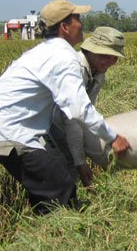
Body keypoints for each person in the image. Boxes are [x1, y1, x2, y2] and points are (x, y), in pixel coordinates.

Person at [0, 0, 131, 214]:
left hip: (10, 129)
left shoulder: (51, 52)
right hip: (10, 132)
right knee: (60, 188)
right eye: (77, 20)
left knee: (53, 186)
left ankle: (49, 229)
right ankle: (56, 234)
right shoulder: (63, 58)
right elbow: (77, 111)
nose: (82, 24)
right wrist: (112, 137)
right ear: (65, 27)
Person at [49, 26, 126, 189]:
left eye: (114, 58)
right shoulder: (74, 69)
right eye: (105, 56)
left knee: (70, 168)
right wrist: (81, 162)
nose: (111, 62)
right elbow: (74, 117)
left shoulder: (98, 74)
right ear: (90, 51)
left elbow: (87, 112)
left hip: (64, 127)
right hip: (47, 127)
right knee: (62, 170)